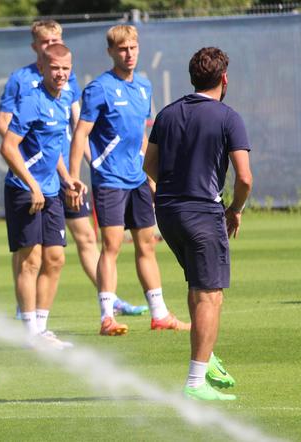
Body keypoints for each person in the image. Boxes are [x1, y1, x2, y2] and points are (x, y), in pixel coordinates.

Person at [0, 20, 147, 328]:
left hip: (59, 174)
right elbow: (6, 130)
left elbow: (77, 127)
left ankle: (108, 297)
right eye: (46, 41)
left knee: (79, 242)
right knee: (30, 256)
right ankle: (26, 312)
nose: (52, 44)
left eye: (56, 39)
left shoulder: (66, 86)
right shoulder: (22, 83)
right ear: (36, 49)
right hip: (32, 178)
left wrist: (78, 169)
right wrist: (30, 160)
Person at [144, 47, 252, 401]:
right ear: (224, 78)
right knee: (210, 294)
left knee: (199, 288)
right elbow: (245, 178)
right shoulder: (227, 116)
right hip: (203, 213)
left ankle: (206, 358)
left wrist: (174, 191)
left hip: (168, 213)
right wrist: (234, 209)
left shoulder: (168, 113)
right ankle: (195, 381)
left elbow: (150, 165)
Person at [69, 24, 189, 336]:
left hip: (136, 178)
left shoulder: (144, 86)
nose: (129, 53)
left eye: (133, 47)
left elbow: (140, 135)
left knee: (147, 243)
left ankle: (160, 314)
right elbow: (81, 133)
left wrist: (151, 177)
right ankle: (107, 317)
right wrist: (73, 177)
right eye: (122, 49)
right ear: (111, 52)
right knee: (110, 246)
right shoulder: (99, 88)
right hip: (109, 178)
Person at [0, 43, 86, 348]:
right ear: (43, 68)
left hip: (51, 192)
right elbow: (8, 147)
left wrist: (68, 179)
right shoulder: (31, 101)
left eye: (66, 68)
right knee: (30, 261)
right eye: (55, 68)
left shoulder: (63, 101)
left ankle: (42, 328)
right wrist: (33, 185)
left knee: (56, 258)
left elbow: (53, 150)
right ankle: (29, 331)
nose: (61, 74)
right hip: (25, 191)